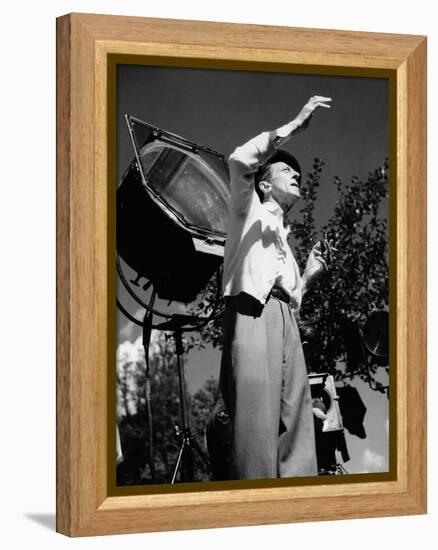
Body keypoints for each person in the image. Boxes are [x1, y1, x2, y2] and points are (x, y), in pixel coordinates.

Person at [218, 95, 332, 480]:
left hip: (285, 321)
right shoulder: (245, 209)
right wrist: (293, 126)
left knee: (297, 425)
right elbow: (238, 160)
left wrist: (311, 272)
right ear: (265, 184)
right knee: (255, 427)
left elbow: (293, 296)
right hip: (252, 312)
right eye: (288, 170)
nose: (296, 175)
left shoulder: (284, 237)